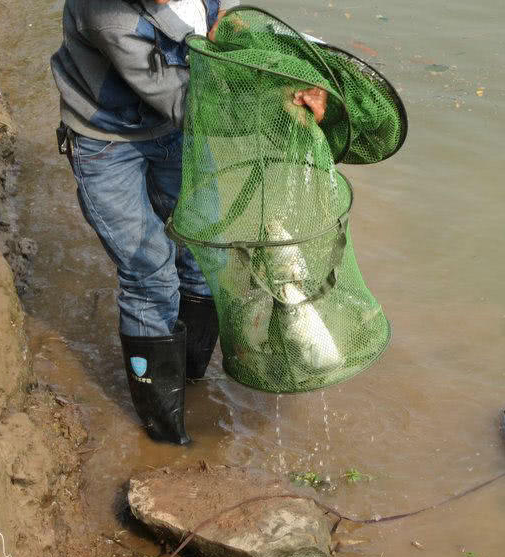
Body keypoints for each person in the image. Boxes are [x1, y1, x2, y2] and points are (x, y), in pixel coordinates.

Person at [51, 0, 327, 445]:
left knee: (203, 250)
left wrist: (294, 77)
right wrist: (275, 107)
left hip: (173, 134)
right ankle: (163, 431)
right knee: (149, 273)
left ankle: (189, 380)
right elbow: (186, 102)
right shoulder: (108, 14)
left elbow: (225, 26)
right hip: (106, 141)